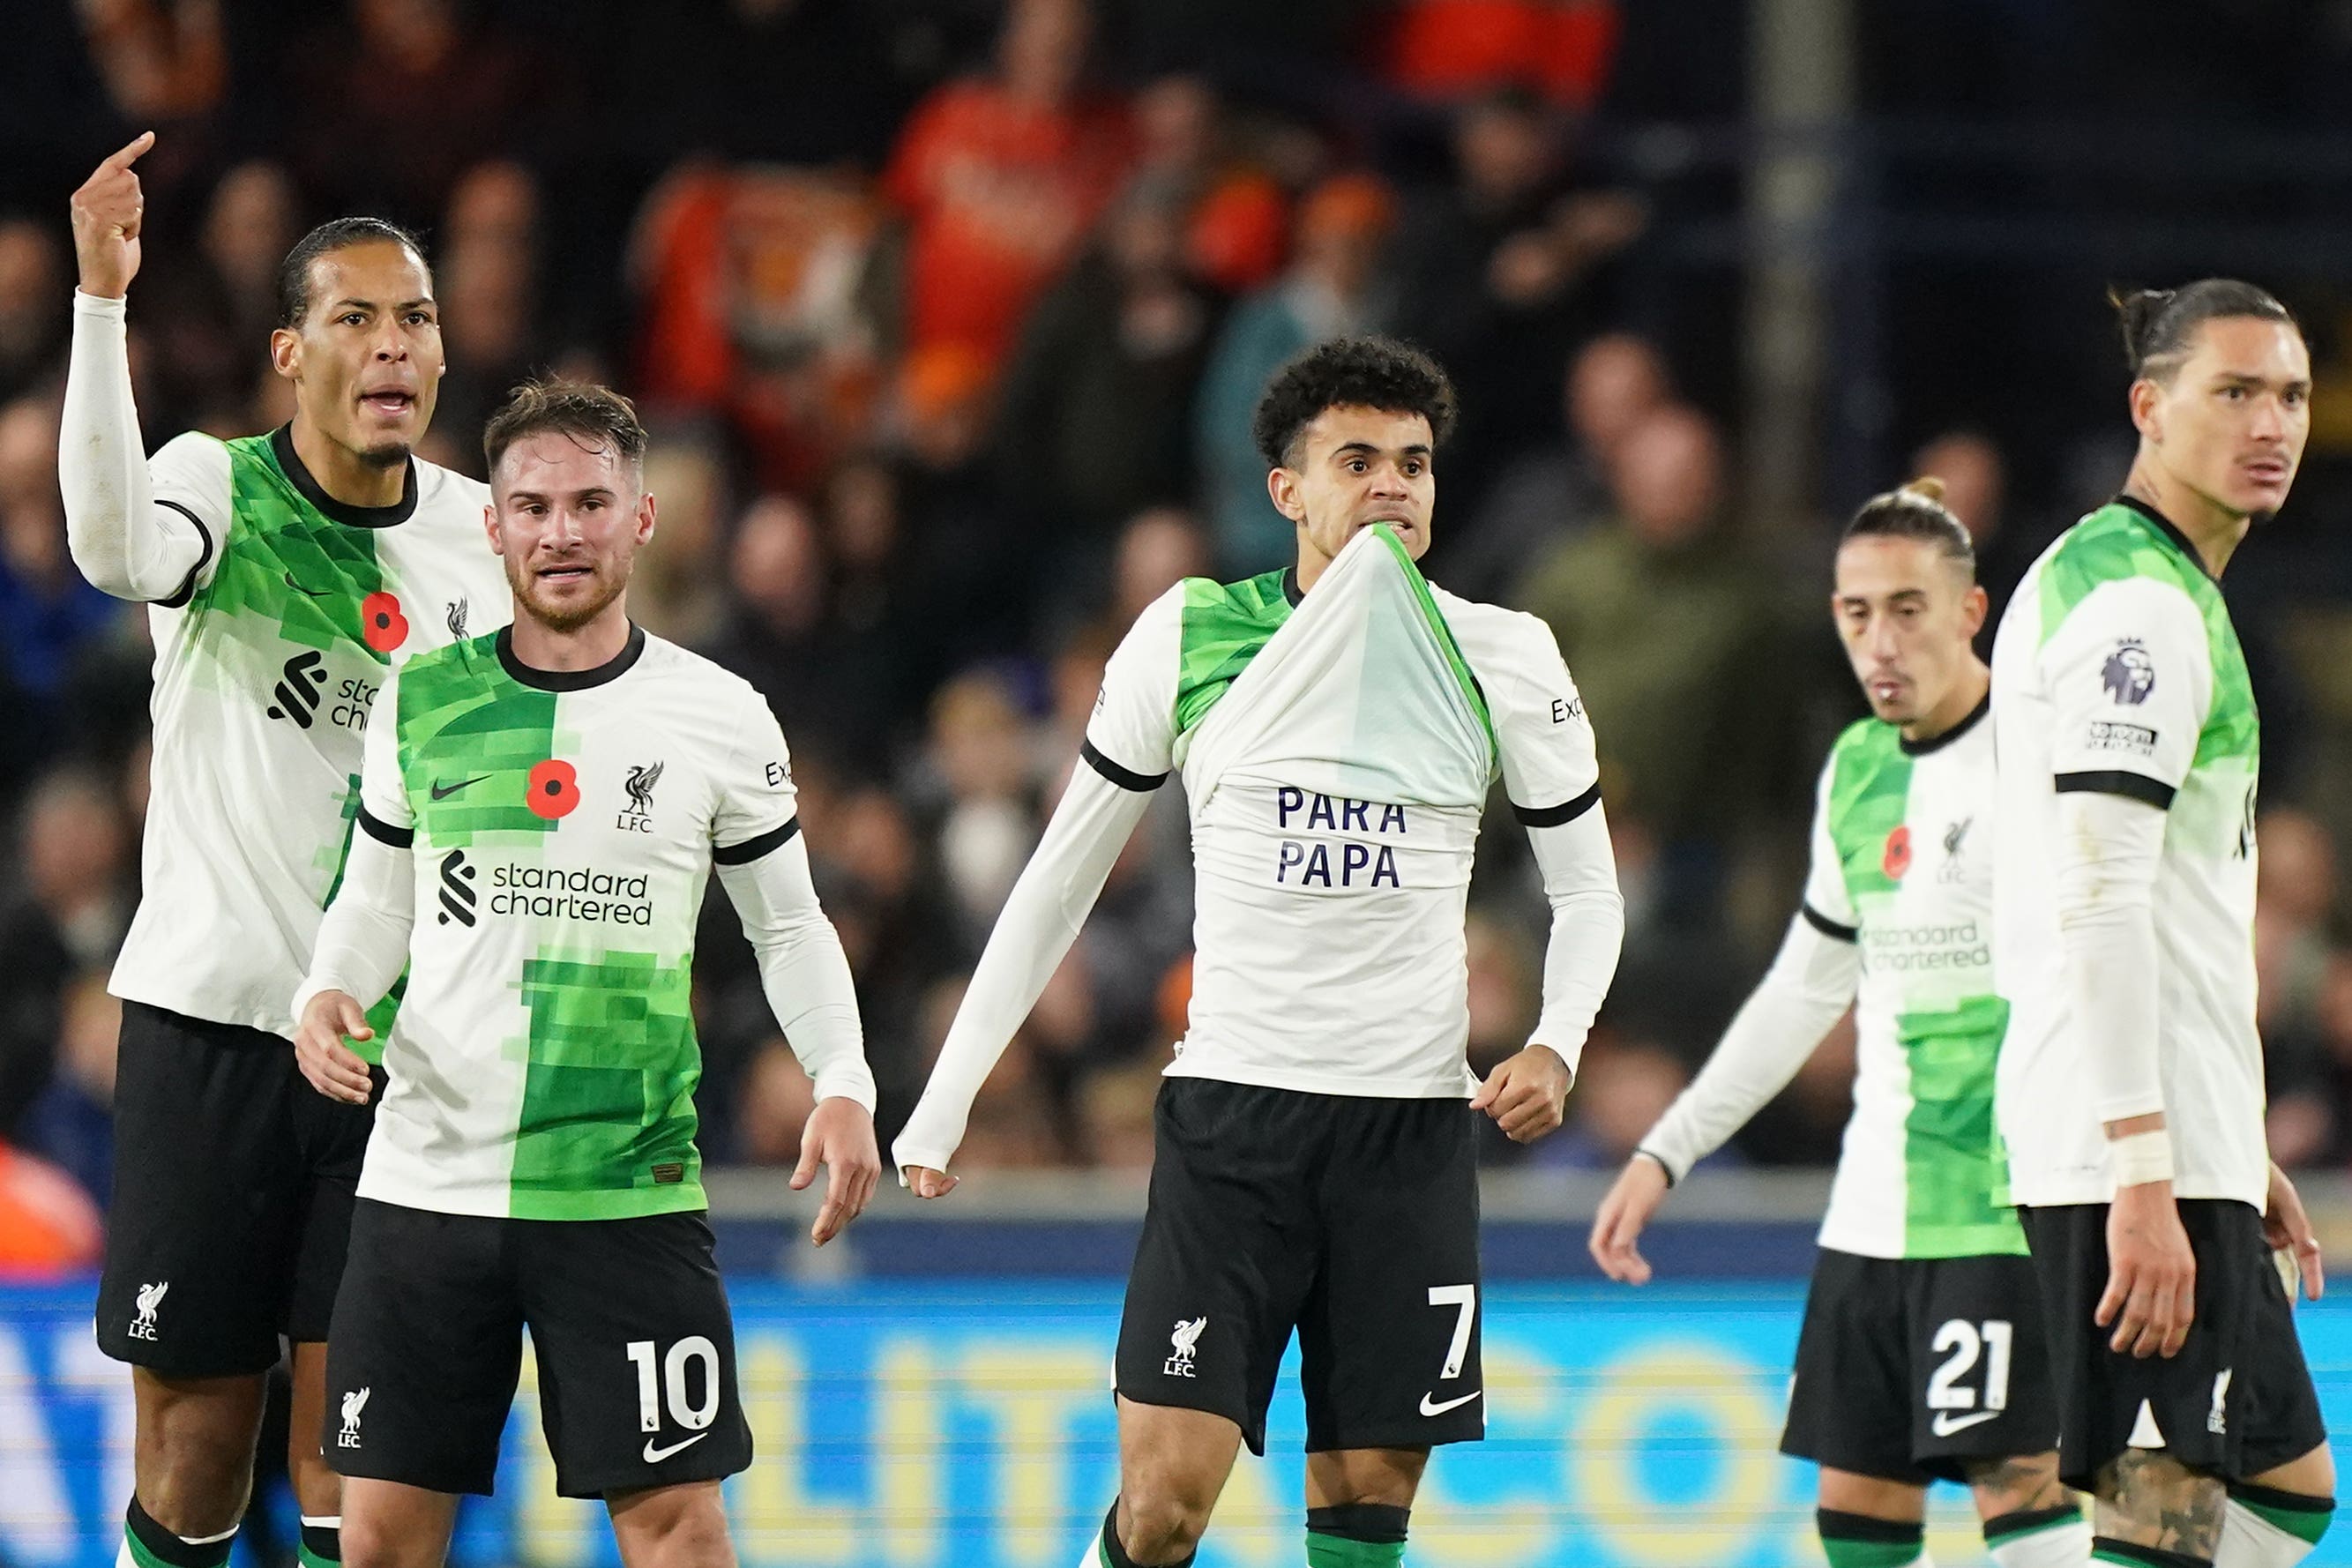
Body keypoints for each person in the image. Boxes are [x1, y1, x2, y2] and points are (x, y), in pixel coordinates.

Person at [893, 337, 1625, 1568]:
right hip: (1235, 1121)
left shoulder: (1505, 654)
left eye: (1412, 463)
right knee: (1164, 1500)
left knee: (1364, 1501)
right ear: (1285, 490)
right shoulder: (1188, 636)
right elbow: (1057, 880)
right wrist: (946, 1095)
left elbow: (1587, 888)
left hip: (1405, 1129)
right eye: (1355, 460)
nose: (1390, 484)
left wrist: (1556, 1038)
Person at [287, 380, 882, 1568]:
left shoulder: (720, 714)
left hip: (626, 1192)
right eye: (534, 505)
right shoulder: (424, 698)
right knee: (380, 1544)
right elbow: (374, 900)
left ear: (642, 517)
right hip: (426, 1187)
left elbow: (788, 926)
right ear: (494, 527)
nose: (561, 529)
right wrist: (324, 990)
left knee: (678, 1535)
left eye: (589, 501)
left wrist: (842, 1078)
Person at [58, 132, 513, 1568]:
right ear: (288, 352)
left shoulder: (483, 542)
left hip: (396, 1053)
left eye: (417, 317)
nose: (394, 344)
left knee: (357, 1483)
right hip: (214, 1027)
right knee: (194, 1458)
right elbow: (114, 551)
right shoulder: (215, 485)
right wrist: (98, 304)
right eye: (356, 316)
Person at [1590, 479, 2090, 1568]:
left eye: (1908, 608)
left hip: (2006, 1207)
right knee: (1859, 1511)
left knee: (2023, 1487)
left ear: (1971, 611)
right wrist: (1668, 1148)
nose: (1880, 640)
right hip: (1872, 1213)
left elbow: (2131, 964)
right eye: (1856, 612)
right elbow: (1805, 987)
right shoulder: (1859, 768)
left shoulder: (2047, 759)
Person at [1990, 280, 2335, 1568]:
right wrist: (2146, 1163)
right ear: (2148, 407)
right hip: (2116, 1151)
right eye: (2231, 391)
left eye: (2289, 395)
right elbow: (2093, 891)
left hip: (2150, 1134)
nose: (2270, 424)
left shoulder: (2123, 579)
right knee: (2173, 1508)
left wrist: (2220, 1138)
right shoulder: (2135, 605)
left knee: (2231, 1498)